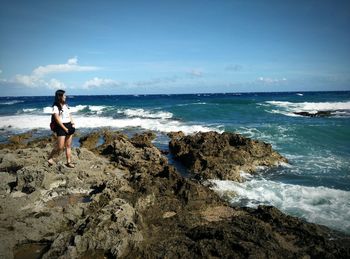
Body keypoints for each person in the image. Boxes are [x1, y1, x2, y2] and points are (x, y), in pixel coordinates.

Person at [47, 89, 76, 168]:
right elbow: (57, 119)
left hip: (69, 125)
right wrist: (64, 128)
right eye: (64, 95)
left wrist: (72, 123)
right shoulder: (55, 107)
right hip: (61, 127)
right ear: (60, 96)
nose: (65, 96)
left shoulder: (66, 105)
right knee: (60, 147)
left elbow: (69, 114)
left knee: (68, 146)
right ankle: (50, 157)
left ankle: (68, 162)